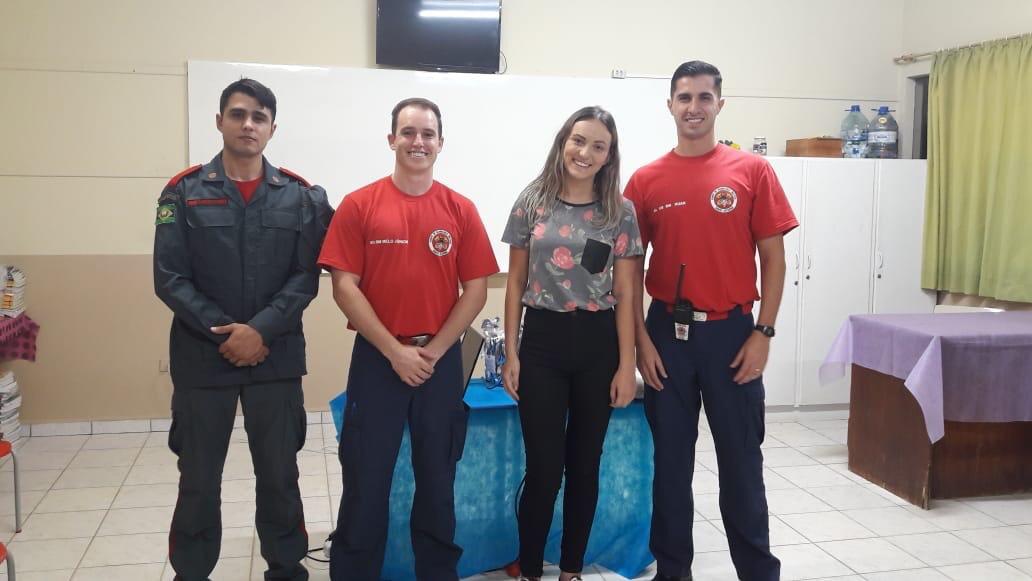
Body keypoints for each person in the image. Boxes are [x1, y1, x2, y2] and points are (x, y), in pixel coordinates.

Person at [153, 78, 333, 581]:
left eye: (259, 117)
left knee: (279, 475)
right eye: (237, 114)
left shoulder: (300, 196)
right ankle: (192, 571)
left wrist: (260, 331)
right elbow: (169, 278)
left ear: (273, 128)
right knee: (198, 479)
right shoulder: (184, 192)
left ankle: (285, 568)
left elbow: (306, 277)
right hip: (202, 359)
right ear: (219, 122)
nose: (248, 124)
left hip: (275, 357)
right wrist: (228, 335)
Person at [624, 61, 797, 581]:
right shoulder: (645, 181)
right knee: (671, 469)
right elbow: (627, 271)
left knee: (742, 466)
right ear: (670, 105)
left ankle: (758, 573)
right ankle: (673, 572)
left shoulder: (751, 171)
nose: (694, 107)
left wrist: (764, 332)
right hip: (666, 338)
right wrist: (640, 342)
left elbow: (774, 259)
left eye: (704, 97)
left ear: (720, 104)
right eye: (684, 97)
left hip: (733, 335)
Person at [320, 97, 500, 580]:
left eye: (427, 134)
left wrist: (433, 352)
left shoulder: (460, 209)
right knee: (366, 477)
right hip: (378, 359)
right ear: (391, 139)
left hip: (439, 363)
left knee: (438, 480)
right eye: (408, 132)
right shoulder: (359, 205)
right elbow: (344, 287)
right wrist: (395, 352)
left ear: (440, 143)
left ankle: (437, 572)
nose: (418, 142)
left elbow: (476, 290)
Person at [499, 106, 643, 581]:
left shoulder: (620, 212)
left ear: (609, 156)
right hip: (542, 343)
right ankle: (531, 569)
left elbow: (627, 294)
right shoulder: (532, 201)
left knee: (584, 466)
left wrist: (626, 366)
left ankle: (572, 569)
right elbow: (515, 282)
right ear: (564, 142)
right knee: (544, 469)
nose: (585, 152)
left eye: (598, 146)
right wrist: (512, 353)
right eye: (578, 140)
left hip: (598, 345)